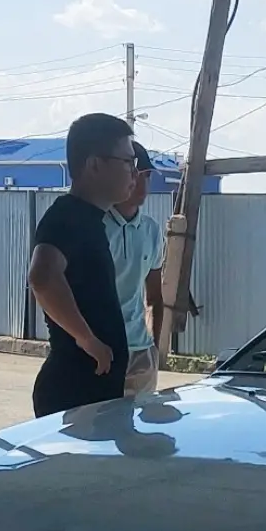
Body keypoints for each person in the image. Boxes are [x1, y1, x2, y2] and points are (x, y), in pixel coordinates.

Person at [27, 112, 139, 418]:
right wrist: (86, 339)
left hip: (93, 388)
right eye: (128, 162)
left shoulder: (90, 220)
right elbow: (42, 276)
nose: (134, 172)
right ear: (94, 165)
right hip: (74, 388)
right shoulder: (68, 216)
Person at [106, 141, 167, 399]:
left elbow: (154, 297)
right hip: (103, 352)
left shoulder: (151, 232)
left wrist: (155, 348)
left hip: (141, 352)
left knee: (137, 436)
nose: (142, 185)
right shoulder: (96, 227)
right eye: (136, 175)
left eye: (147, 176)